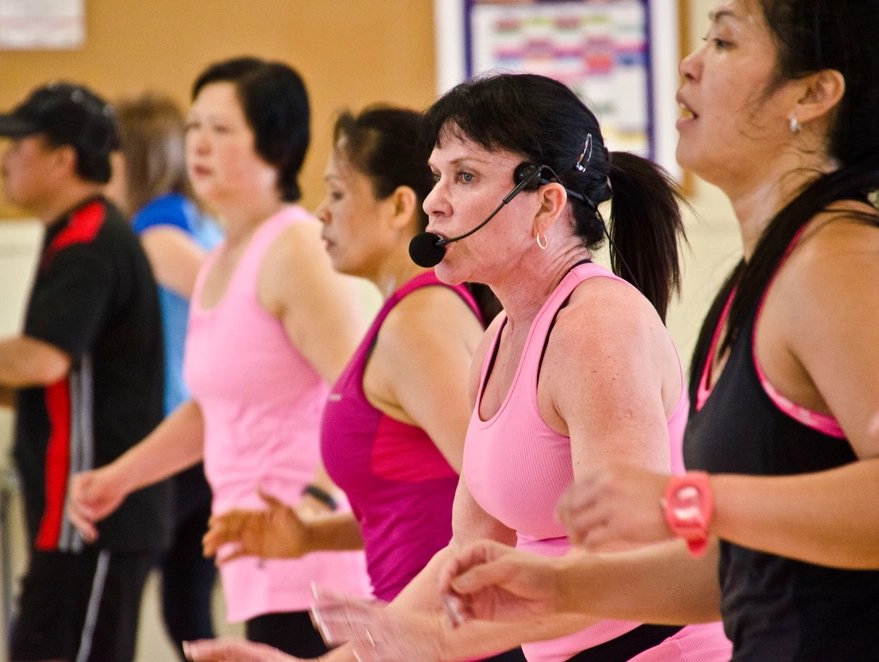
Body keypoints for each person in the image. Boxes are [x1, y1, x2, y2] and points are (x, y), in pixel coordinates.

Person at [185, 73, 733, 662]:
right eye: (438, 175)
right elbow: (465, 550)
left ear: (546, 203)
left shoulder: (597, 327)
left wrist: (434, 639)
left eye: (464, 176)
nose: (432, 200)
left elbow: (627, 567)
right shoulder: (501, 335)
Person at [437, 1, 879, 660]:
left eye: (723, 41)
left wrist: (690, 500)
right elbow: (738, 575)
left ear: (812, 93)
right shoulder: (769, 274)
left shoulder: (837, 263)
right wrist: (554, 588)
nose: (689, 64)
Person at [66, 57, 371, 659]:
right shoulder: (222, 256)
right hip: (257, 551)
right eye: (194, 127)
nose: (199, 145)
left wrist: (314, 499)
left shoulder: (293, 249)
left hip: (312, 549)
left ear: (275, 145)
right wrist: (120, 477)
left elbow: (364, 393)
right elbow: (214, 409)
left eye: (221, 130)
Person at [200, 106, 522, 661]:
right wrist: (311, 537)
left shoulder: (419, 325)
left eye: (338, 193)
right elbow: (433, 495)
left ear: (399, 206)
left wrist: (356, 653)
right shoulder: (404, 318)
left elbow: (496, 514)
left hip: (453, 639)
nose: (320, 213)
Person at [0, 81, 170, 662]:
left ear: (62, 159)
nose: (4, 161)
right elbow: (73, 381)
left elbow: (42, 358)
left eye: (19, 145)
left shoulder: (91, 241)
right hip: (75, 522)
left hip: (93, 518)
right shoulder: (75, 235)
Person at [106, 92, 222, 656]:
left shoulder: (156, 233)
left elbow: (232, 306)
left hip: (178, 436)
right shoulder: (198, 222)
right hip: (197, 436)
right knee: (186, 606)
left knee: (140, 597)